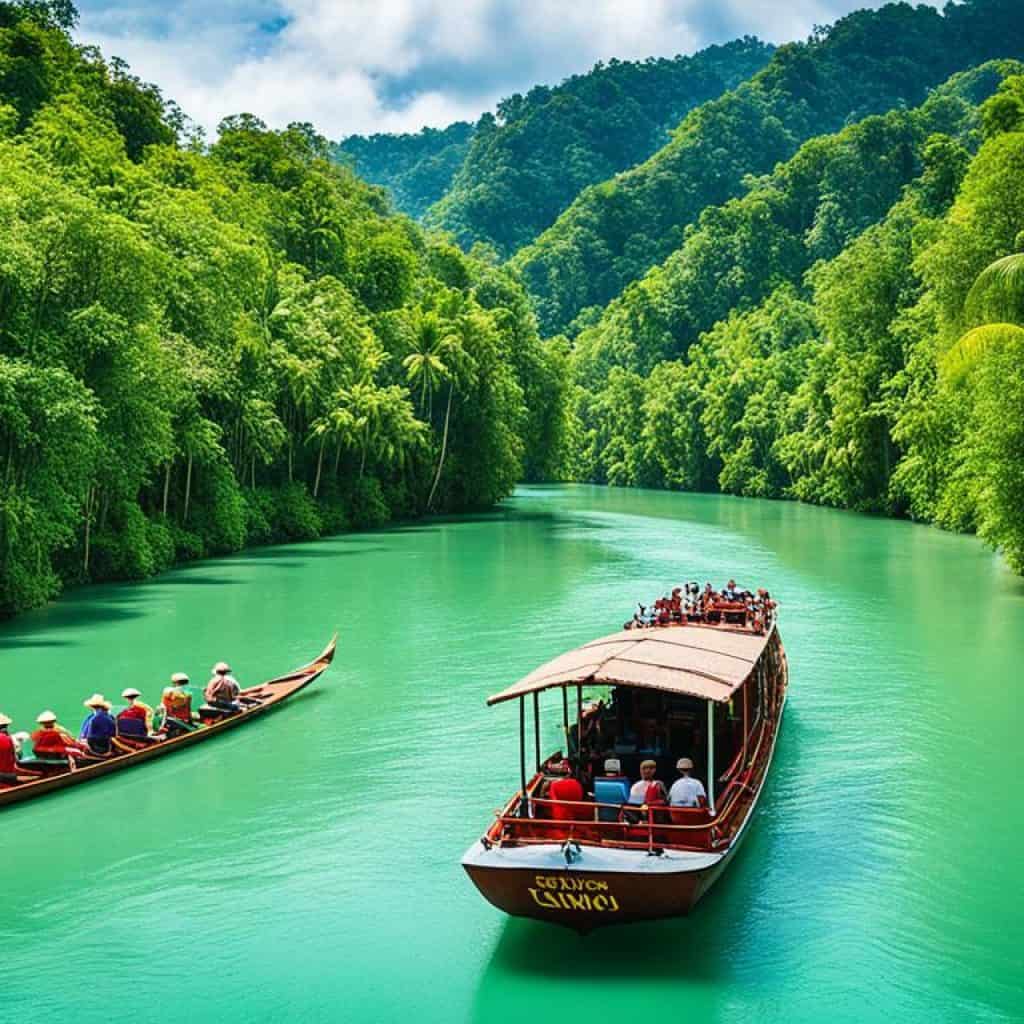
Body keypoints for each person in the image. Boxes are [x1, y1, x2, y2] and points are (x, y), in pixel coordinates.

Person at [0, 713, 17, 782]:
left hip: (5, 775)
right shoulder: (9, 738)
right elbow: (13, 758)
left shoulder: (6, 738)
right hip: (10, 774)